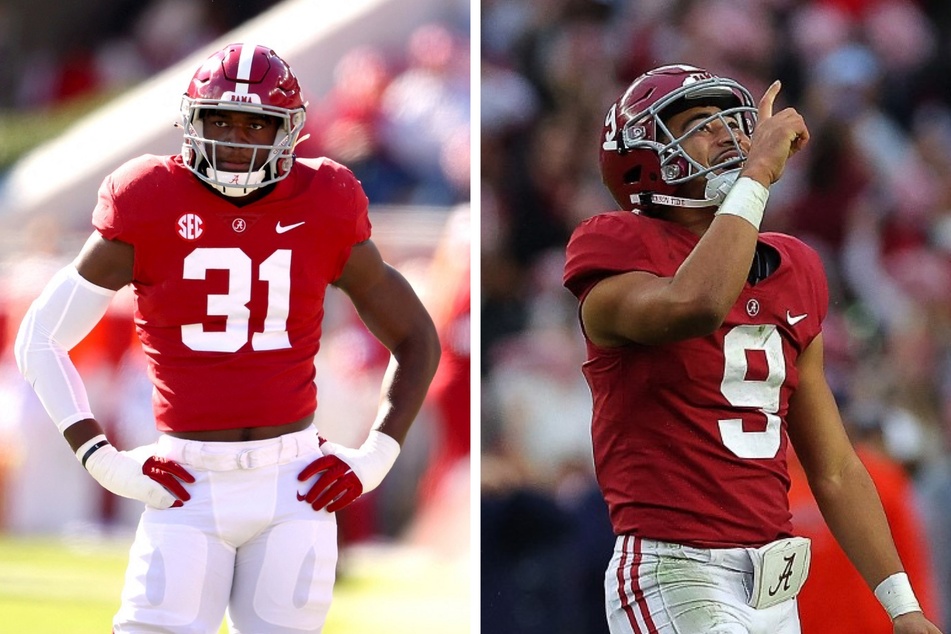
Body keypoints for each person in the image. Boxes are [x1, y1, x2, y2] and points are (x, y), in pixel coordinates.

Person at [14, 42, 441, 634]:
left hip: (293, 483)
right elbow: (39, 337)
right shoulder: (147, 198)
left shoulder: (326, 201)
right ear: (192, 121)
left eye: (255, 124)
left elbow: (418, 338)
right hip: (186, 482)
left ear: (287, 133)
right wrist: (100, 458)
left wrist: (376, 457)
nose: (236, 140)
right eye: (220, 121)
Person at [562, 63, 943, 634]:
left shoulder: (795, 266)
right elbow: (696, 302)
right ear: (642, 155)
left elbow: (835, 467)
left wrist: (903, 608)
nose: (730, 136)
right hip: (677, 570)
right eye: (699, 124)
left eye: (734, 123)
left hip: (773, 583)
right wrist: (759, 173)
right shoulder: (616, 245)